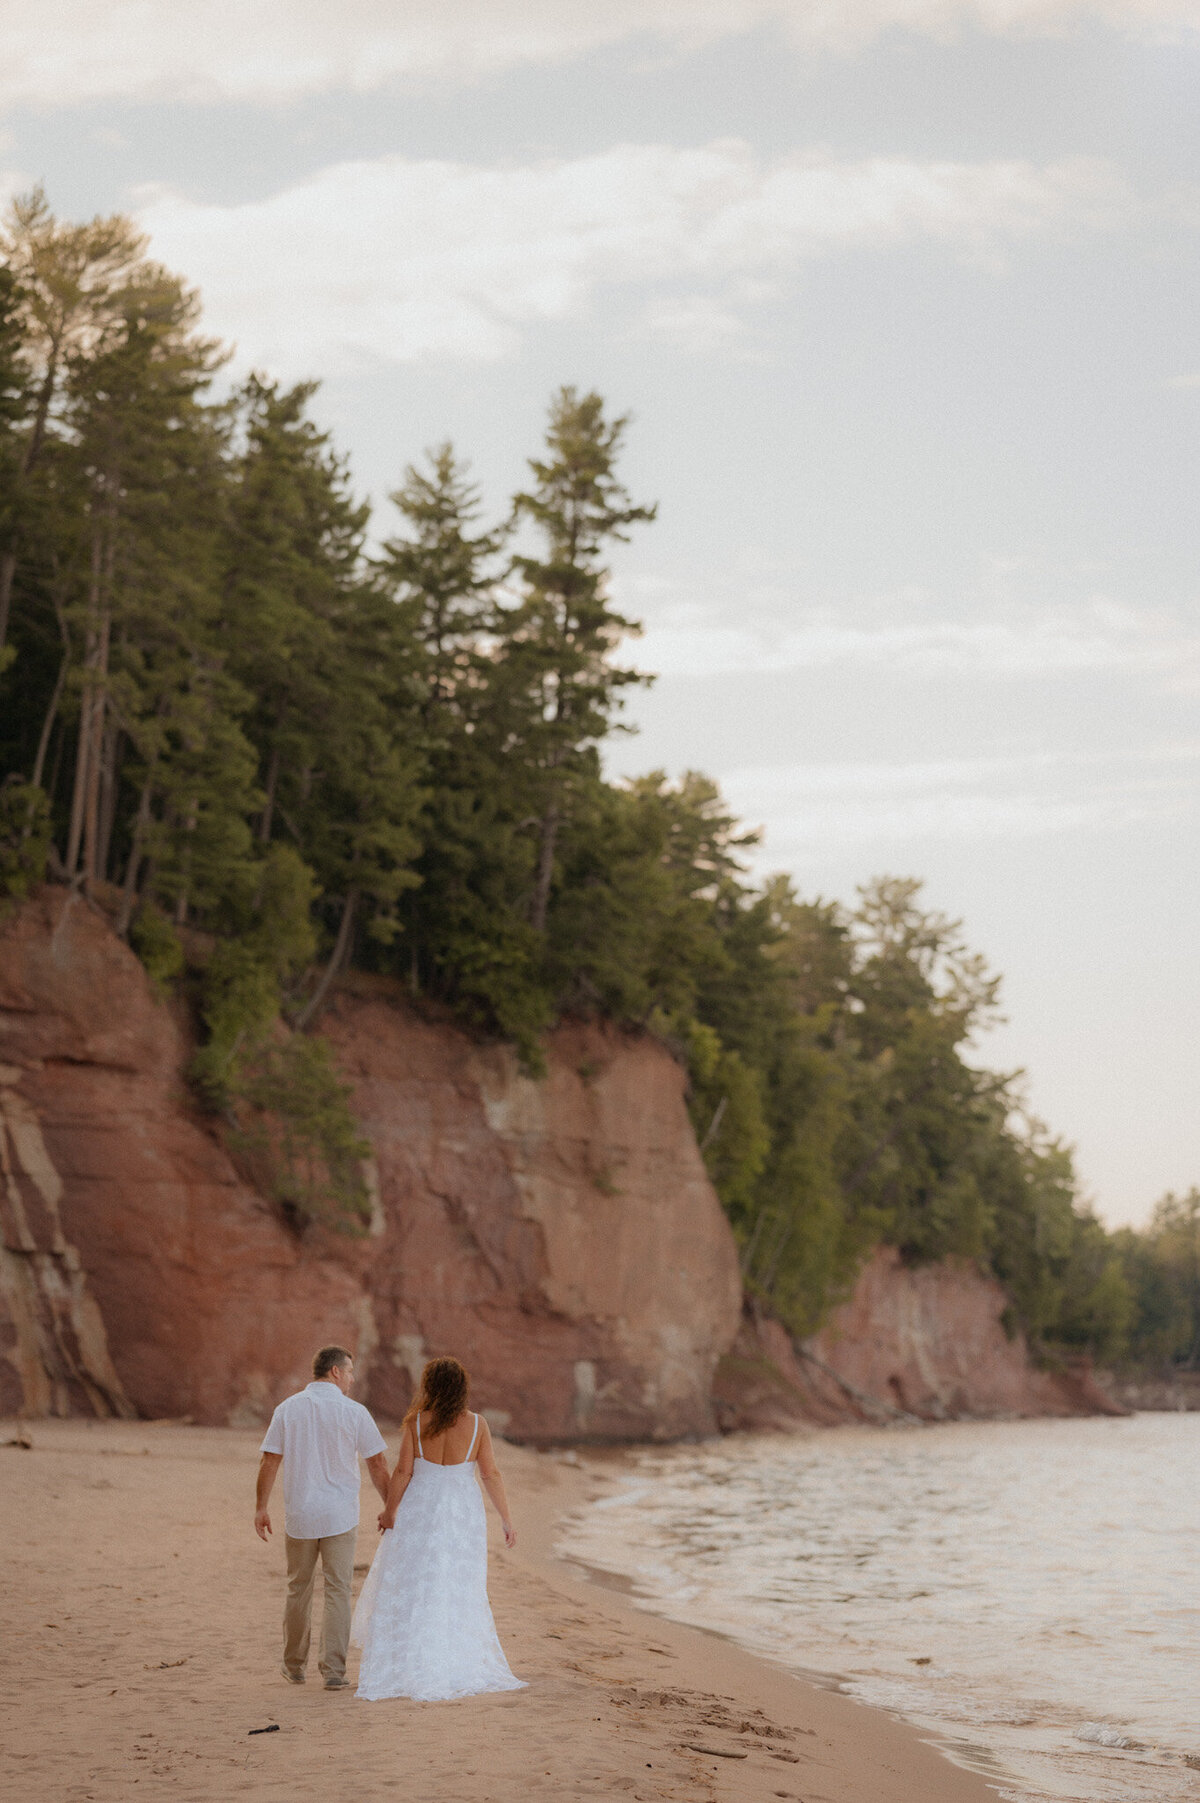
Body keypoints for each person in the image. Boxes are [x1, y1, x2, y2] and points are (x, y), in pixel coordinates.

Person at [351, 1354, 525, 1702]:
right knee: (458, 1584)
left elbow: (403, 1472)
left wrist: (390, 1510)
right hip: (462, 1511)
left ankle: (407, 1662)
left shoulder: (416, 1422)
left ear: (429, 1386)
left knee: (414, 1581)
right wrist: (506, 1519)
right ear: (462, 1389)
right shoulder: (478, 1425)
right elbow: (491, 1474)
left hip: (421, 1508)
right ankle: (454, 1662)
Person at [255, 1345, 389, 1690]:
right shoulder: (355, 1412)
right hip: (340, 1516)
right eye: (350, 1371)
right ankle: (333, 1671)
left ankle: (294, 1666)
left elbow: (269, 1461)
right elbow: (377, 1464)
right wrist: (391, 1507)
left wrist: (261, 1507)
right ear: (335, 1372)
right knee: (337, 1590)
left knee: (297, 1588)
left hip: (300, 1514)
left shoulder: (288, 1409)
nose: (352, 1378)